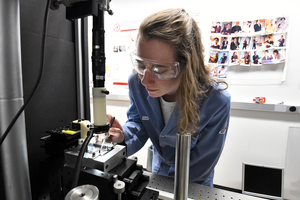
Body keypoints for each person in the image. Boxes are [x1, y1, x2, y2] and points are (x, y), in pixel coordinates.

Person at [104, 8, 231, 187]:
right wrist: (123, 135)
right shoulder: (136, 82)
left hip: (194, 181)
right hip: (159, 172)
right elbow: (139, 122)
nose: (145, 79)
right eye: (141, 64)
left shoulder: (216, 100)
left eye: (159, 69)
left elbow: (203, 161)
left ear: (187, 64)